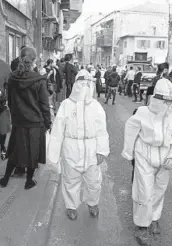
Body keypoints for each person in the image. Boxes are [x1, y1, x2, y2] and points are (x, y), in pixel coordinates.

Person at [122, 78, 172, 245]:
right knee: (144, 190)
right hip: (144, 155)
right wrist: (129, 151)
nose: (169, 106)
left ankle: (154, 217)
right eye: (165, 102)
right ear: (158, 99)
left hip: (164, 159)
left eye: (171, 102)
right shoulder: (142, 112)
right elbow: (131, 130)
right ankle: (142, 225)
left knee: (159, 190)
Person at [48, 69, 110, 221]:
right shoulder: (66, 105)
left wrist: (102, 150)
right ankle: (71, 206)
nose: (85, 88)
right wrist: (54, 155)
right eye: (81, 84)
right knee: (70, 180)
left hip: (92, 149)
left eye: (88, 84)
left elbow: (102, 130)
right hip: (71, 148)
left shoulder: (96, 106)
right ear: (75, 85)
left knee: (94, 182)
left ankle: (93, 203)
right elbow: (57, 132)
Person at [0, 47, 51, 189]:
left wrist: (15, 117)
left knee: (15, 150)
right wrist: (48, 122)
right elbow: (44, 104)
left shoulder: (12, 78)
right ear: (34, 61)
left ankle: (5, 178)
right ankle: (29, 181)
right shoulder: (39, 80)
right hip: (35, 122)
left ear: (20, 58)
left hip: (19, 121)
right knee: (33, 152)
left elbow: (10, 101)